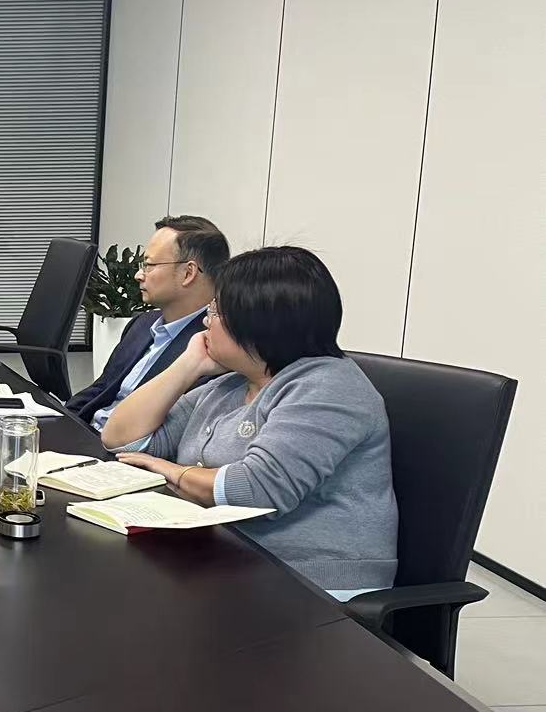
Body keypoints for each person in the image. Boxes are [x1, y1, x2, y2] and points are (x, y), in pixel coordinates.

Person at [101, 246, 397, 596]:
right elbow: (121, 438)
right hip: (225, 562)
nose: (205, 321)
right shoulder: (233, 383)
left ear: (256, 323)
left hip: (308, 584)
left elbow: (257, 491)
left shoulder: (328, 386)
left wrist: (172, 471)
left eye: (215, 311)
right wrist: (188, 365)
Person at [66, 215, 229, 428]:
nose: (138, 275)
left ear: (188, 273)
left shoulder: (211, 348)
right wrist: (59, 419)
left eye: (149, 265)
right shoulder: (143, 324)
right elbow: (101, 389)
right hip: (85, 432)